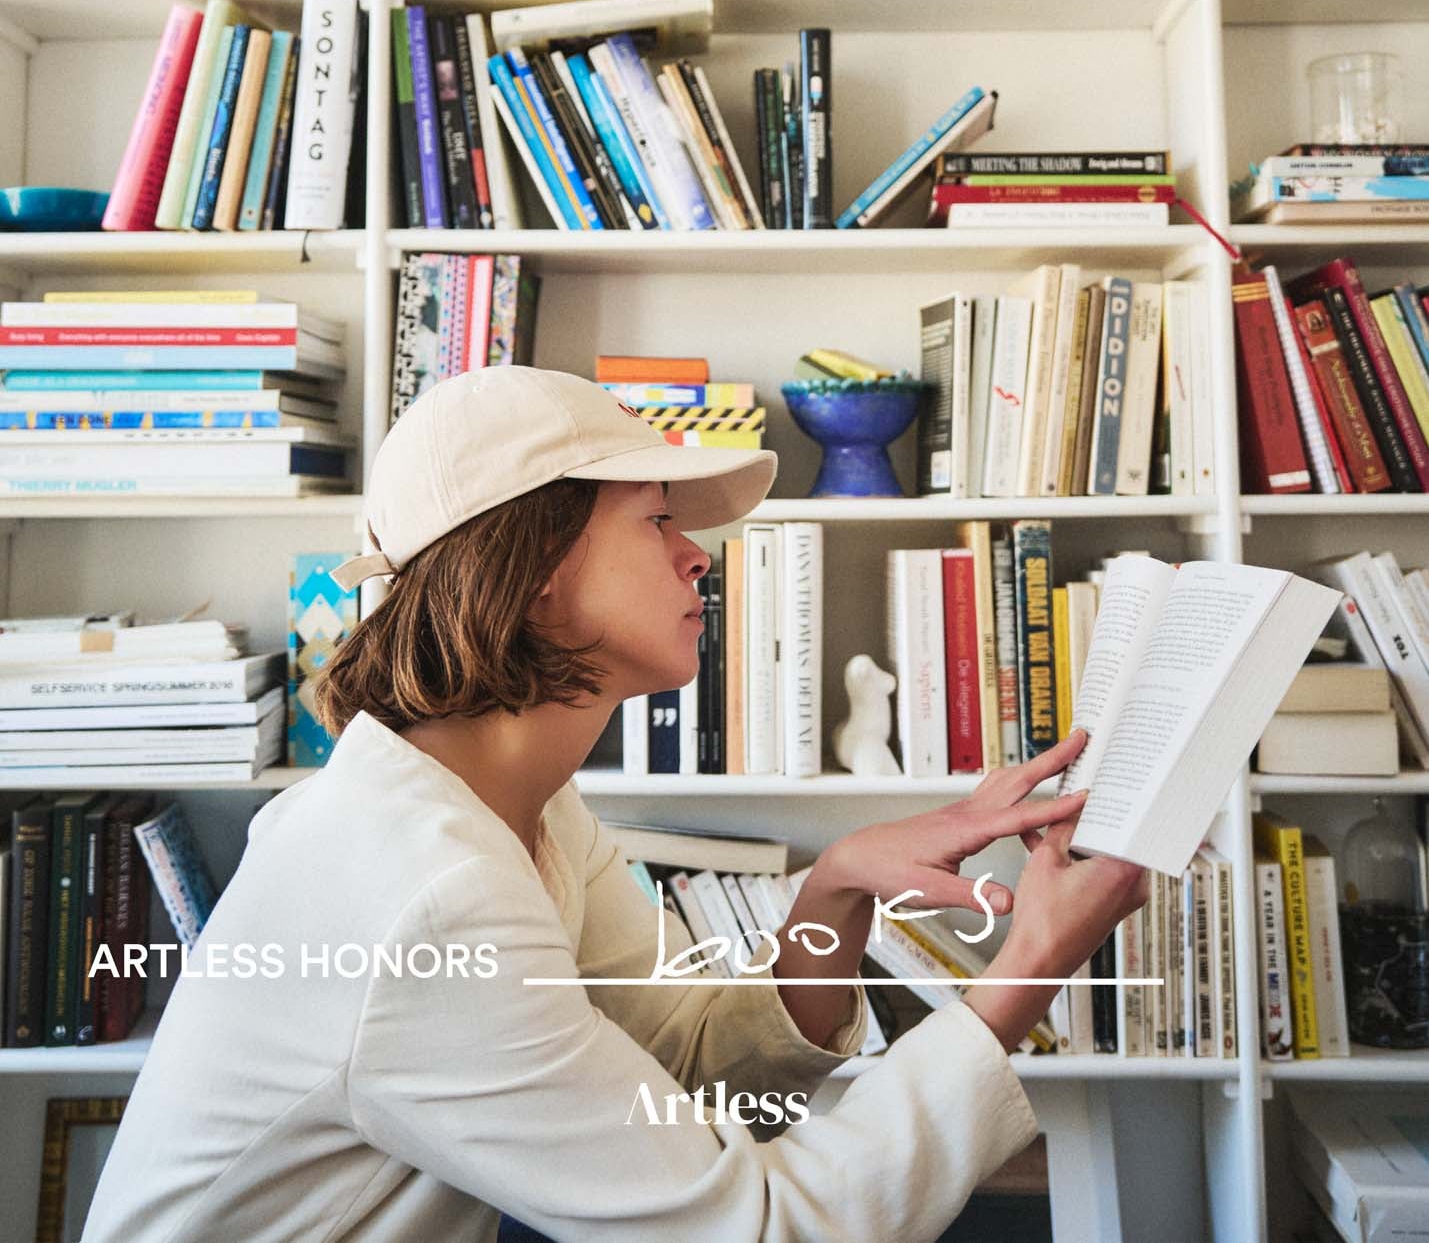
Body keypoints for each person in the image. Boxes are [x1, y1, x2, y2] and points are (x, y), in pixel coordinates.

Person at [82, 365, 1146, 1243]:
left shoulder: (520, 812)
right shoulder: (427, 890)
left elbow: (672, 1068)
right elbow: (761, 1230)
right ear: (534, 569)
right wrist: (1027, 971)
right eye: (655, 520)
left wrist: (836, 887)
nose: (698, 555)